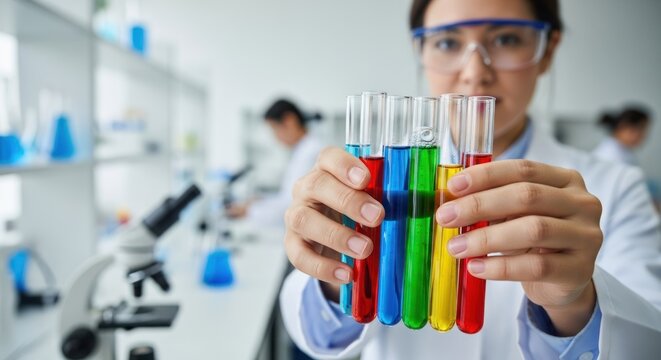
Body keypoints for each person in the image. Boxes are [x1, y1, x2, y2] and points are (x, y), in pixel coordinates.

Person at [278, 0, 661, 359]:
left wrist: (576, 304)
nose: (475, 72)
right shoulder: (374, 175)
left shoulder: (615, 187)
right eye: (447, 42)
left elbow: (648, 341)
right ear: (421, 52)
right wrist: (337, 273)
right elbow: (318, 335)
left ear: (547, 48)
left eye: (506, 39)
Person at [226, 99, 324, 226]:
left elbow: (291, 206)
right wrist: (260, 201)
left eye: (274, 129)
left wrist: (249, 211)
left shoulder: (310, 153)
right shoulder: (302, 151)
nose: (275, 137)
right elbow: (287, 197)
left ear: (290, 121)